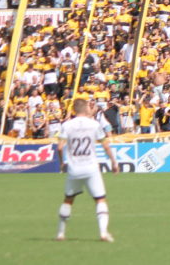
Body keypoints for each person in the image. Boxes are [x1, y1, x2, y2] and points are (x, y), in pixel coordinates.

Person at [56, 98, 118, 243]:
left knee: (68, 199)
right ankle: (103, 232)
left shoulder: (67, 125)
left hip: (74, 168)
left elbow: (59, 147)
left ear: (74, 110)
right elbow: (106, 145)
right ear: (86, 109)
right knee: (100, 199)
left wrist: (62, 163)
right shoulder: (94, 124)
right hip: (91, 167)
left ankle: (60, 233)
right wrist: (114, 162)